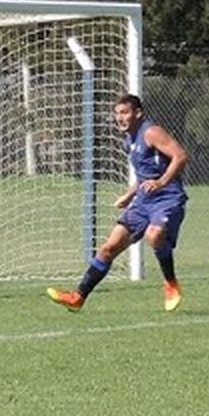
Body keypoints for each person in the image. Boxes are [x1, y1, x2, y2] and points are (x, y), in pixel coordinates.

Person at [47, 94, 189, 312]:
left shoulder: (151, 132)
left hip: (167, 198)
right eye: (117, 113)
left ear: (138, 113)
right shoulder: (129, 141)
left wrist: (161, 182)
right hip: (143, 202)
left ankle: (170, 283)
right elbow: (144, 175)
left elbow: (180, 156)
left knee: (154, 235)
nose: (119, 118)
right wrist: (130, 194)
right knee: (108, 248)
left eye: (124, 112)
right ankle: (78, 297)